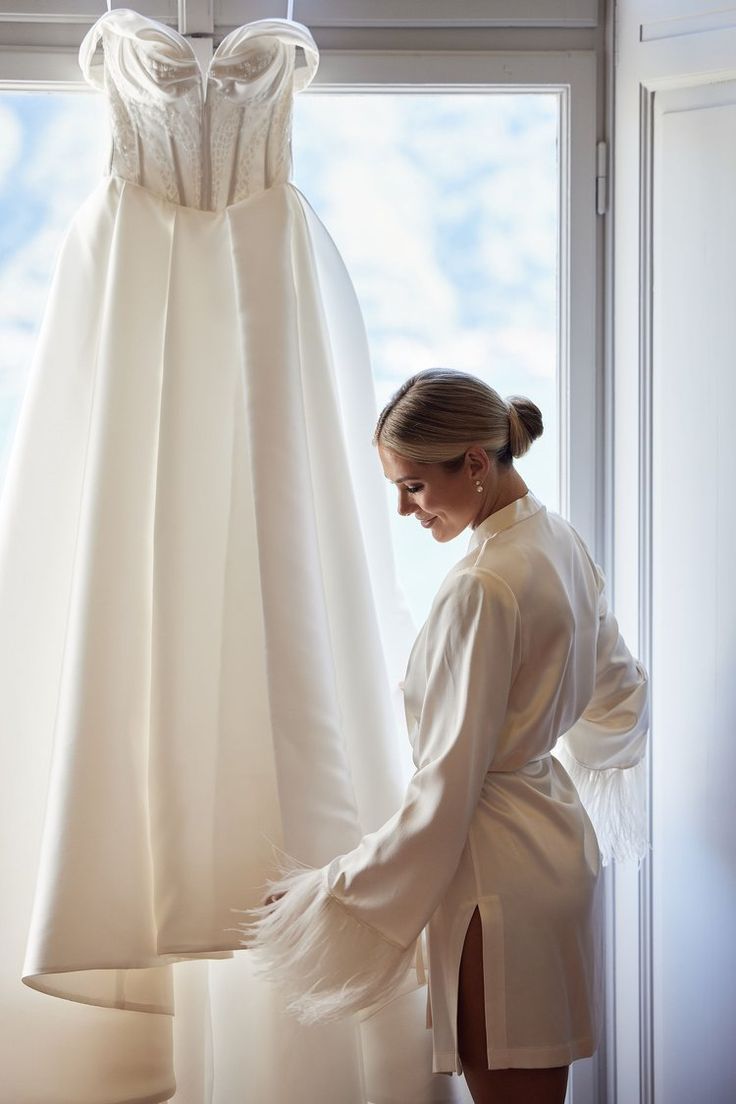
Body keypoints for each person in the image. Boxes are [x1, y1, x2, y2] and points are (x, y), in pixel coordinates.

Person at [240, 368, 649, 1104]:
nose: (403, 509)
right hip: (554, 853)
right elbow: (621, 696)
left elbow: (444, 793)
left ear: (473, 462)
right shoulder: (558, 541)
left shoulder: (484, 585)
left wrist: (326, 894)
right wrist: (537, 729)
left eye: (415, 486)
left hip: (495, 884)